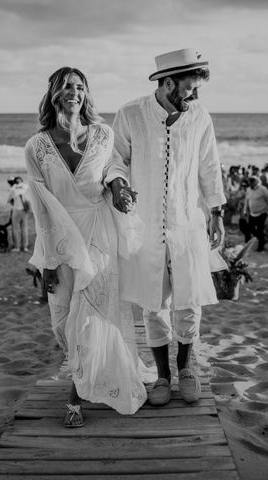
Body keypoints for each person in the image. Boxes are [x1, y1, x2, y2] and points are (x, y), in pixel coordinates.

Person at [25, 66, 152, 427]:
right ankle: (89, 374)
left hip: (100, 231)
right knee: (63, 323)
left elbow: (113, 167)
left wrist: (117, 187)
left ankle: (75, 398)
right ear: (54, 93)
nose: (74, 92)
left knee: (90, 315)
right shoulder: (36, 146)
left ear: (86, 94)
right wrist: (47, 259)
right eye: (67, 86)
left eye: (80, 87)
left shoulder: (103, 133)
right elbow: (41, 208)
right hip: (62, 240)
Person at [106, 48, 226, 407]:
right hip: (143, 227)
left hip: (188, 223)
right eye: (190, 88)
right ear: (167, 83)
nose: (195, 95)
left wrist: (217, 210)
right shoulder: (130, 114)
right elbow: (115, 160)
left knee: (189, 300)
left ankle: (187, 369)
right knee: (152, 304)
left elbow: (210, 166)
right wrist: (118, 183)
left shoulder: (200, 117)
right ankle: (162, 376)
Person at [243, 175, 268, 252]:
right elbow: (246, 200)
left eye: (252, 182)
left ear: (256, 182)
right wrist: (245, 211)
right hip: (252, 213)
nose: (250, 184)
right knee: (251, 228)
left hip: (262, 212)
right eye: (250, 182)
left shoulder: (263, 189)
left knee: (260, 229)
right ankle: (262, 239)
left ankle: (261, 246)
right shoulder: (248, 189)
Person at [6, 176, 31, 252]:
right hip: (24, 210)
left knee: (16, 229)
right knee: (24, 229)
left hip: (17, 210)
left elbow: (9, 199)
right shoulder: (25, 187)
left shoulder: (13, 188)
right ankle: (25, 246)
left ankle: (17, 246)